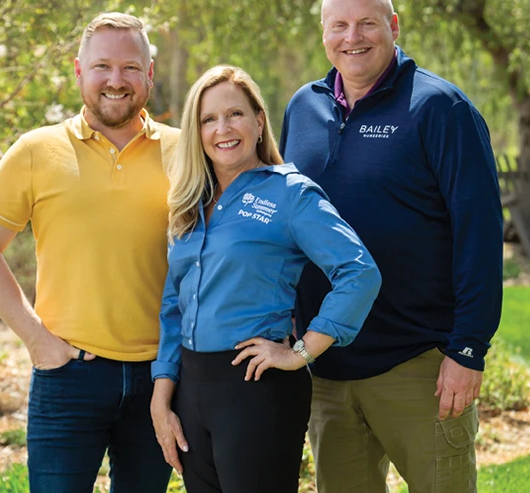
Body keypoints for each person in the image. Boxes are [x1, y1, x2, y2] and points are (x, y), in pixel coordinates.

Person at [279, 0, 504, 493]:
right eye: (338, 25)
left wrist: (467, 350)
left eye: (366, 23)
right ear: (323, 35)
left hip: (419, 365)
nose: (351, 37)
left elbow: (480, 234)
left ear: (393, 26)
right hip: (326, 362)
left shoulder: (440, 109)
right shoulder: (302, 109)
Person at [0, 12, 178, 493]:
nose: (115, 81)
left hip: (160, 380)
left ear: (150, 73)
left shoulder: (186, 154)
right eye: (102, 67)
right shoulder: (36, 151)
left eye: (130, 68)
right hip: (68, 375)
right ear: (79, 72)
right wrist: (38, 341)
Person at [149, 65, 382, 493]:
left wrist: (300, 351)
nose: (223, 128)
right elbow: (173, 306)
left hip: (256, 388)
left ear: (259, 121)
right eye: (208, 119)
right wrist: (162, 396)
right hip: (191, 390)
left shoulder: (291, 194)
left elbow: (358, 271)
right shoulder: (188, 203)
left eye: (235, 114)